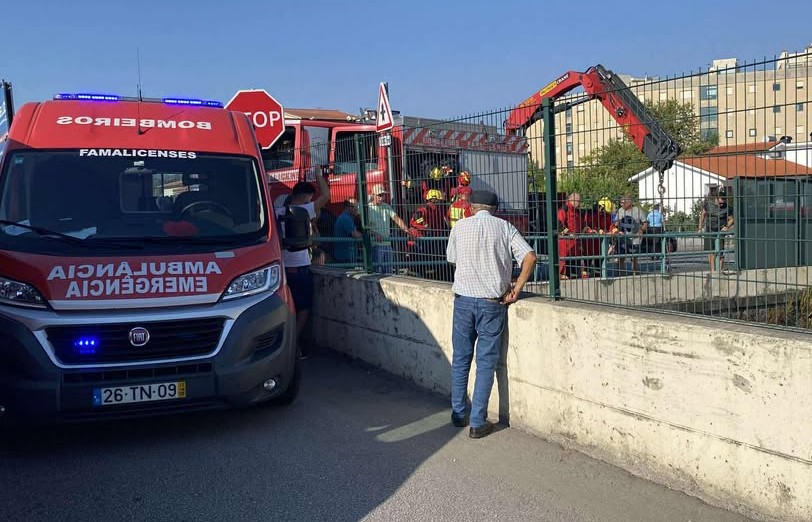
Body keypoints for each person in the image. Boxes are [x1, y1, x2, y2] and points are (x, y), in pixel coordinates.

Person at [446, 190, 537, 439]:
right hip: (491, 303)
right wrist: (516, 288)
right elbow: (530, 257)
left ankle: (457, 413)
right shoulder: (505, 228)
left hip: (463, 301)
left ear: (471, 207)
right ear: (494, 208)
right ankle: (477, 423)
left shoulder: (460, 227)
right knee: (486, 362)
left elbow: (452, 259)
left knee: (461, 358)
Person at [277, 175, 330, 358]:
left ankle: (280, 344)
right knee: (304, 308)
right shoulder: (305, 210)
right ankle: (292, 345)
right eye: (310, 197)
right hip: (299, 268)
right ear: (307, 196)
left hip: (281, 268)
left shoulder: (277, 211)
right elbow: (326, 195)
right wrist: (317, 172)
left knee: (285, 309)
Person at [367, 183, 413, 274]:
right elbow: (365, 226)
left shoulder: (386, 206)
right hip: (375, 244)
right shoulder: (368, 208)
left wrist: (407, 230)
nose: (382, 197)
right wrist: (375, 234)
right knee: (377, 272)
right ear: (373, 195)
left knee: (388, 271)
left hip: (387, 243)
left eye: (382, 195)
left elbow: (396, 219)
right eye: (379, 195)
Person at [698, 188, 734, 272]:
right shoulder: (708, 205)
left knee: (720, 251)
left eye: (723, 203)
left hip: (720, 231)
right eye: (720, 202)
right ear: (716, 198)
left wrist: (726, 226)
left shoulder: (727, 208)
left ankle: (720, 270)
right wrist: (700, 228)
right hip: (709, 230)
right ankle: (713, 270)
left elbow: (732, 219)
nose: (722, 204)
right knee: (711, 251)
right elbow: (702, 216)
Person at [612, 195, 647, 275]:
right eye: (620, 203)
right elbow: (615, 224)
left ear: (629, 202)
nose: (621, 204)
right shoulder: (620, 211)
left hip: (635, 239)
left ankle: (635, 274)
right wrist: (616, 225)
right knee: (621, 257)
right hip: (623, 238)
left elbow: (645, 223)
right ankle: (621, 275)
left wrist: (641, 230)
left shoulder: (637, 210)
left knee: (634, 258)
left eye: (623, 202)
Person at [557, 192, 587, 279]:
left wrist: (586, 230)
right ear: (572, 200)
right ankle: (562, 274)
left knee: (574, 260)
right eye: (578, 201)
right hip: (565, 241)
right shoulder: (564, 209)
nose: (579, 203)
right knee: (564, 258)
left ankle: (572, 275)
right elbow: (559, 224)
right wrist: (568, 233)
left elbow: (582, 224)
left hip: (575, 241)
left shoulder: (577, 211)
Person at [333, 198, 363, 265]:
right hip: (346, 255)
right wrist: (365, 236)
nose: (356, 209)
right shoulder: (346, 218)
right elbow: (355, 234)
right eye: (353, 206)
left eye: (357, 206)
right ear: (347, 207)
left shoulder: (347, 217)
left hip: (345, 254)